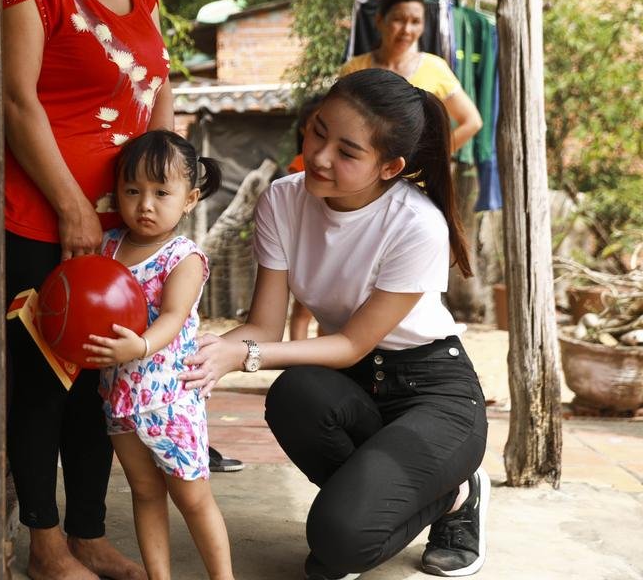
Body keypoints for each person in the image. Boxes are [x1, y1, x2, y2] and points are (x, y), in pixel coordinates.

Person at [180, 68, 491, 580]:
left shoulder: (416, 224)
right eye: (319, 130)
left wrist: (243, 358)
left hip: (432, 391)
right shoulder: (283, 199)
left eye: (347, 152)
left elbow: (348, 342)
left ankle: (455, 494)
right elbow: (262, 327)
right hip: (353, 386)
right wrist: (193, 352)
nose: (320, 156)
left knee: (336, 545)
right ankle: (376, 501)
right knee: (295, 394)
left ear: (389, 166)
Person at [1, 0, 169, 580]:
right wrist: (70, 204)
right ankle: (44, 540)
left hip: (122, 221)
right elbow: (15, 102)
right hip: (43, 215)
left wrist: (165, 185)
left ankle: (90, 532)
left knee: (105, 379)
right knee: (45, 379)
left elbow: (159, 85)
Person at [82, 130, 233, 580]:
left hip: (170, 400)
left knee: (192, 497)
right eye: (133, 191)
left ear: (189, 199)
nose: (145, 204)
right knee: (144, 492)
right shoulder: (107, 246)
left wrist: (141, 345)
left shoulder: (183, 257)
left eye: (161, 192)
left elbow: (173, 316)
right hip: (120, 398)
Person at [339, 0, 482, 153]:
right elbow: (340, 122)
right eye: (398, 19)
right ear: (379, 20)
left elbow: (472, 121)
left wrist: (432, 157)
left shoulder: (435, 67)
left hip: (414, 179)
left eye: (415, 22)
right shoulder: (354, 69)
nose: (407, 30)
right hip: (362, 175)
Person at [286, 94, 325, 341]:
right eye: (319, 128)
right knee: (302, 310)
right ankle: (297, 361)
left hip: (329, 245)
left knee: (330, 314)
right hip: (310, 247)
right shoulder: (300, 166)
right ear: (305, 130)